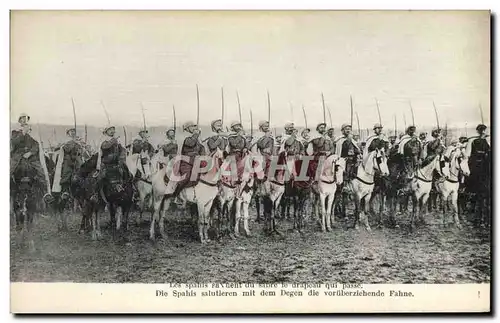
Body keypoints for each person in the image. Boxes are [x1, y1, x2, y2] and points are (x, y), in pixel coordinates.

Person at [10, 113, 49, 195]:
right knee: (9, 170)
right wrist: (23, 132)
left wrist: (31, 152)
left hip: (30, 157)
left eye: (26, 118)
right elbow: (14, 142)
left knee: (41, 171)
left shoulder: (30, 134)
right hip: (18, 156)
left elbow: (35, 145)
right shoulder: (15, 132)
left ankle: (45, 193)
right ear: (20, 120)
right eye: (23, 118)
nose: (24, 120)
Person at [51, 127, 84, 195]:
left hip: (76, 161)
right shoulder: (66, 142)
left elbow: (80, 153)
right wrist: (73, 143)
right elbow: (66, 149)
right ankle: (65, 191)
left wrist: (79, 146)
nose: (72, 132)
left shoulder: (77, 143)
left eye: (74, 131)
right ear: (68, 133)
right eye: (71, 131)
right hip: (67, 161)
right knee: (66, 175)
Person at [335, 124, 362, 193]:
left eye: (349, 129)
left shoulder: (352, 140)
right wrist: (348, 141)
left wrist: (358, 152)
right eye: (346, 129)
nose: (348, 130)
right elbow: (340, 150)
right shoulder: (340, 140)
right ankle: (344, 185)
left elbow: (357, 150)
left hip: (353, 159)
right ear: (342, 131)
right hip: (342, 159)